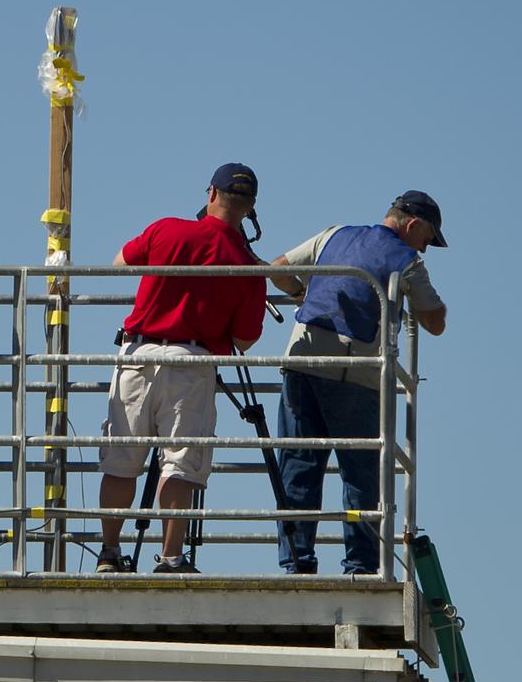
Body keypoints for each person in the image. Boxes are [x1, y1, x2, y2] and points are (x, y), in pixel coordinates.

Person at [97, 163, 268, 574]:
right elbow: (244, 341)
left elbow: (119, 262)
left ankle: (109, 554)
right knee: (180, 464)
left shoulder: (167, 229)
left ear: (211, 193)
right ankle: (171, 558)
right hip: (192, 363)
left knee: (122, 460)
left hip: (136, 355)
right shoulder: (248, 266)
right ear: (250, 209)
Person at [268, 190, 448, 575]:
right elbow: (435, 322)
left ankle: (296, 563)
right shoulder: (406, 261)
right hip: (355, 377)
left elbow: (277, 268)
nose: (426, 248)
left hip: (301, 363)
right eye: (428, 238)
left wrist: (302, 293)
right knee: (362, 475)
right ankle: (362, 567)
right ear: (413, 225)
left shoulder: (333, 235)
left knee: (298, 467)